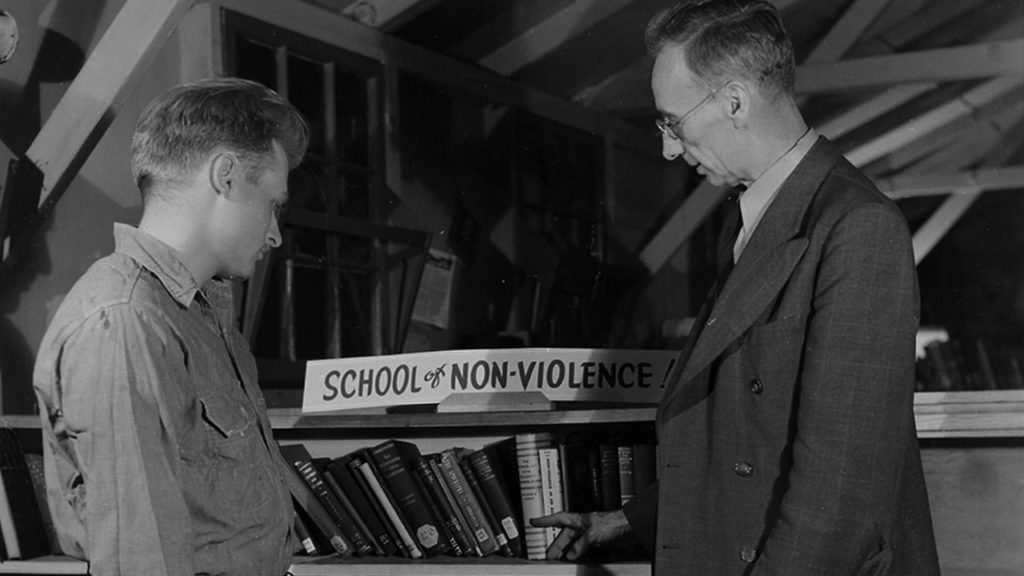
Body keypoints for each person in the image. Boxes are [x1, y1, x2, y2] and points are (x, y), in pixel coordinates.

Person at [531, 1, 941, 574]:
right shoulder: (756, 219)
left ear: (733, 101)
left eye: (672, 122)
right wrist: (625, 522)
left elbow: (839, 499)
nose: (670, 148)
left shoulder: (858, 226)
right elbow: (738, 423)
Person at [33, 78, 310, 576]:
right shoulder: (126, 322)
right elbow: (141, 560)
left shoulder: (197, 316)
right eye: (273, 203)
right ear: (225, 175)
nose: (274, 233)